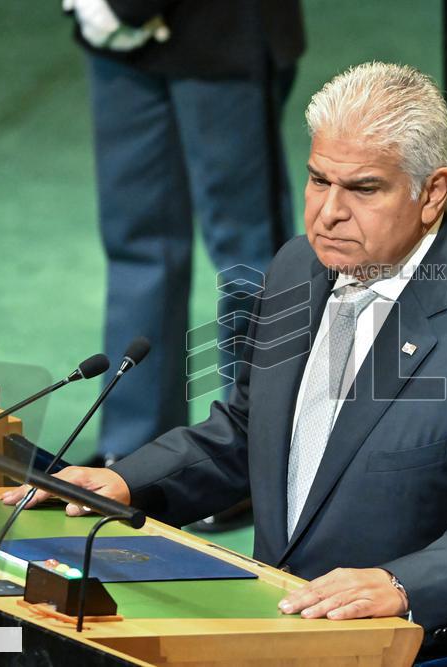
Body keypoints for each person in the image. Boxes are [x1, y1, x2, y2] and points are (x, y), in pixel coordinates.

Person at [5, 62, 447, 662]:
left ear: (432, 193)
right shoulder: (298, 268)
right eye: (317, 180)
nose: (328, 213)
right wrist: (129, 480)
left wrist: (403, 586)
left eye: (363, 189)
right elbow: (248, 430)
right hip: (284, 630)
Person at [64, 0, 305, 464]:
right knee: (137, 246)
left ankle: (250, 456)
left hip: (220, 30)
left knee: (248, 259)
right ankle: (136, 448)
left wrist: (127, 7)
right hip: (116, 40)